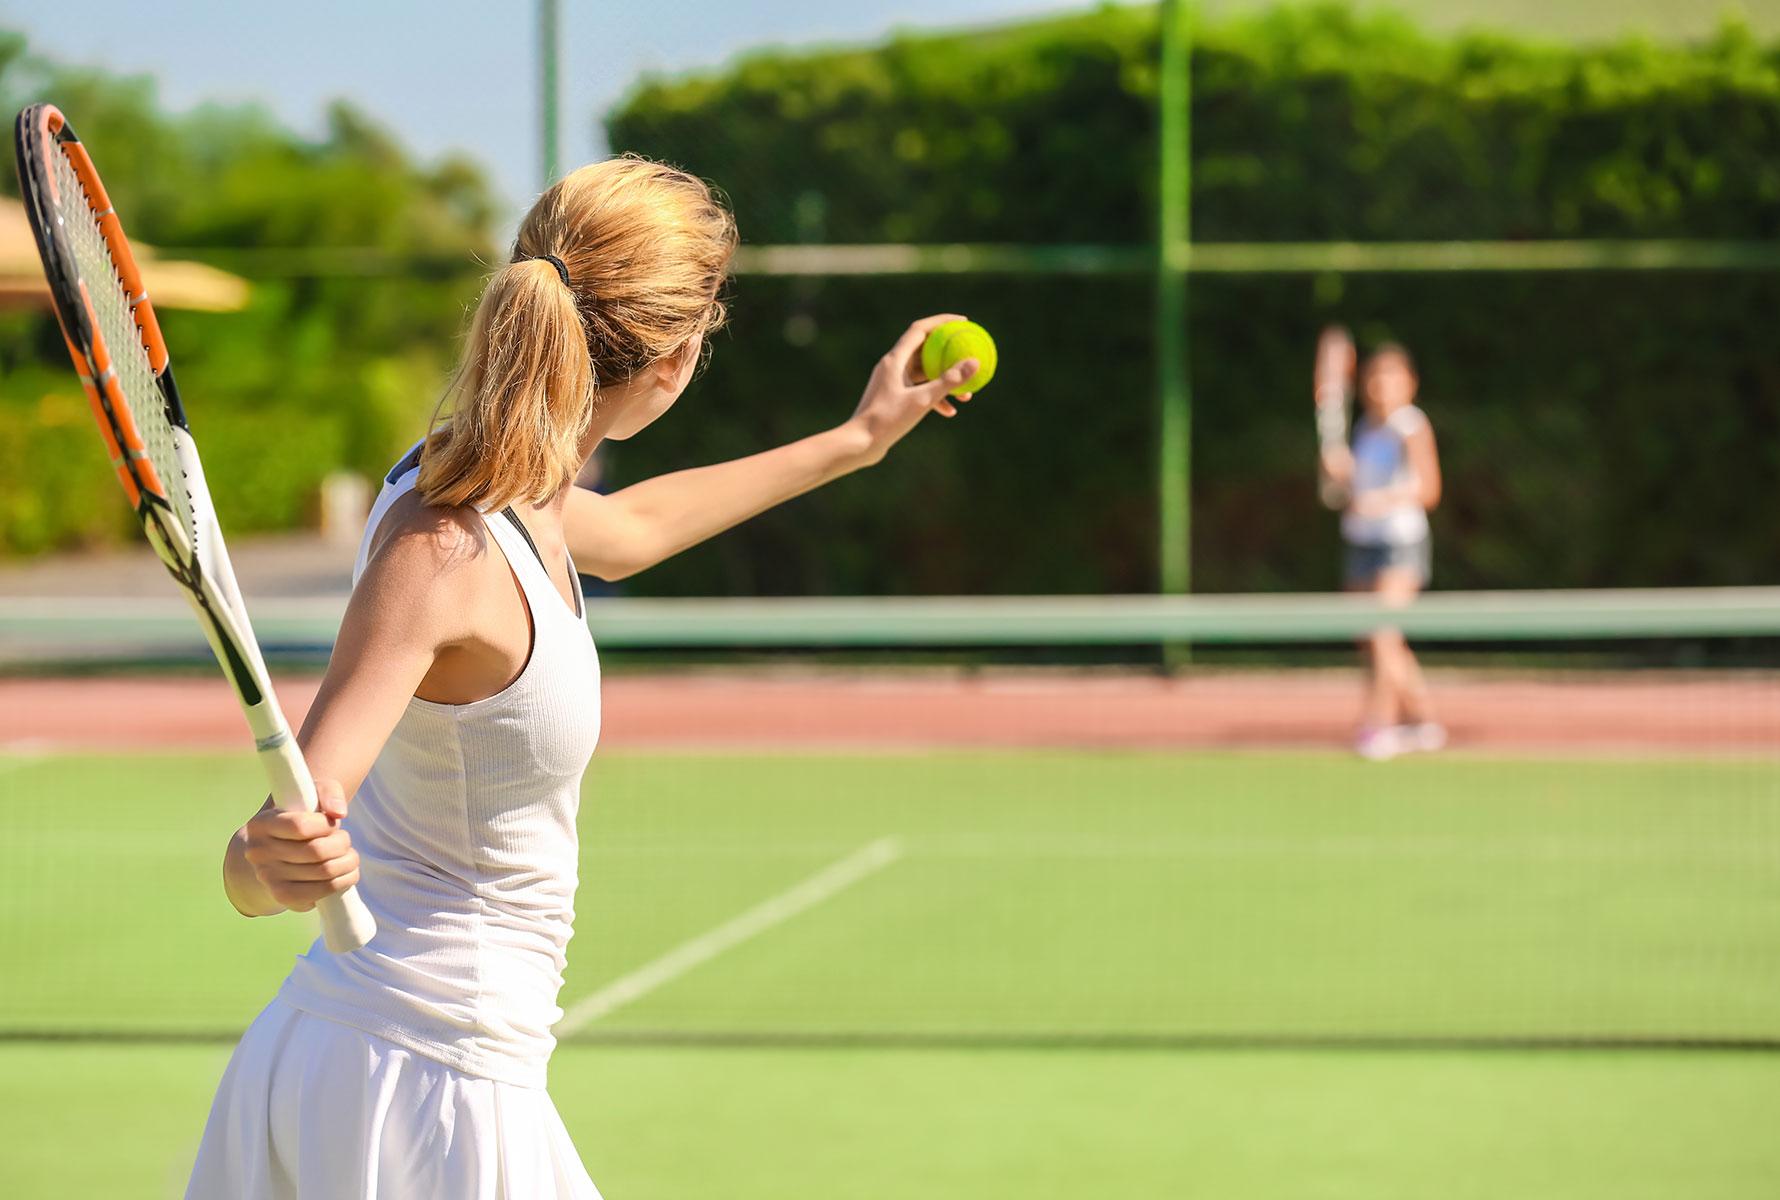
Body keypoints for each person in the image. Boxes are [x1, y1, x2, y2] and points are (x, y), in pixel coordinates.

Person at [184, 157, 982, 1200]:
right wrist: (264, 860)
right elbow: (266, 854)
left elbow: (636, 530)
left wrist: (859, 440)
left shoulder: (497, 489)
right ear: (676, 360)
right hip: (420, 1084)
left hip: (407, 1063)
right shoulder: (445, 547)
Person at [1317, 340, 1445, 760]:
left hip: (1400, 544)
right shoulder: (1362, 430)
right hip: (1361, 542)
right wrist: (1339, 476)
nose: (1381, 386)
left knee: (1383, 632)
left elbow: (1428, 489)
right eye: (1374, 378)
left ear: (1410, 383)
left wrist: (1379, 500)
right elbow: (1343, 493)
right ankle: (1424, 721)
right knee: (1371, 638)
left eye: (1391, 378)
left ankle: (1379, 724)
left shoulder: (1411, 426)